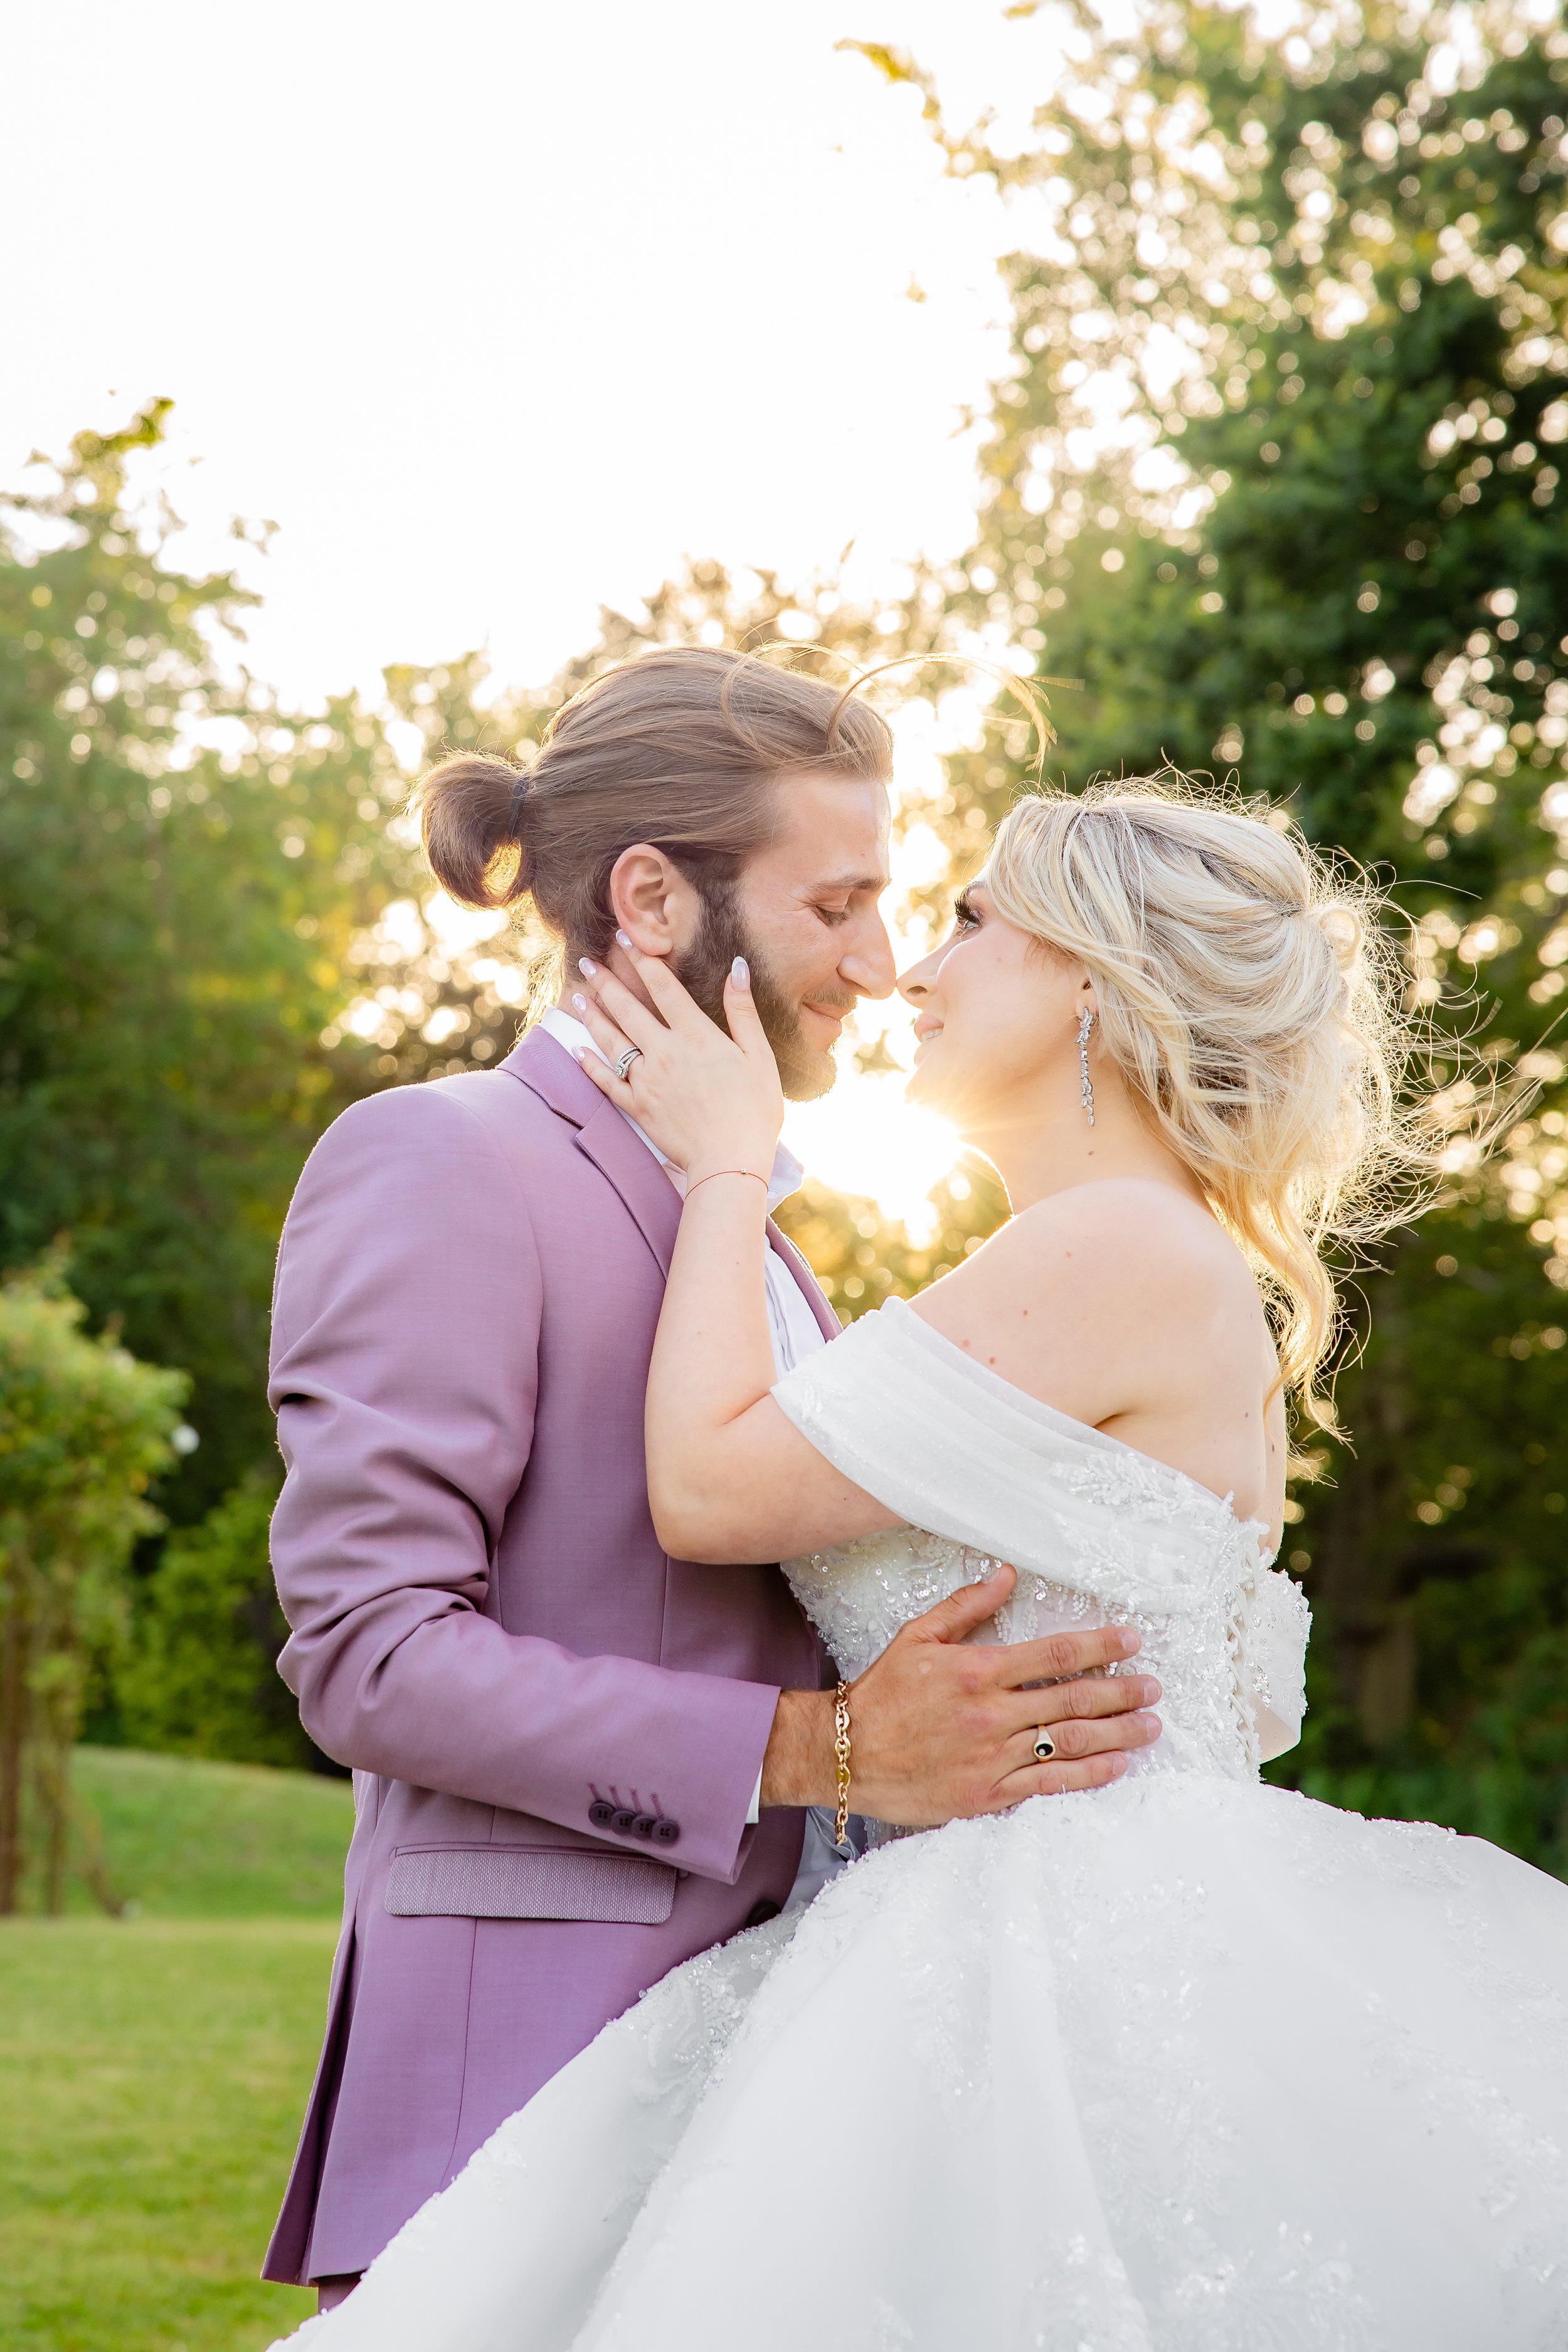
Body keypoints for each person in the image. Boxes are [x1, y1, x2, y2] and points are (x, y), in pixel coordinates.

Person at [275, 774, 1568, 2350]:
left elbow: (704, 1486)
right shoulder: (1065, 1265)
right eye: (862, 910)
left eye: (963, 920)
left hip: (1065, 1968)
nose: (909, 970)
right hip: (957, 1939)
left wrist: (726, 1169)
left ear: (1090, 980)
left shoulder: (1113, 1249)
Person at [260, 650, 1157, 2309]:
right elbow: (365, 1651)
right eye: (839, 904)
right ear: (657, 900)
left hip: (773, 2091)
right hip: (526, 2089)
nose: (881, 967)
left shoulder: (760, 1235)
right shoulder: (442, 1159)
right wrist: (820, 1747)